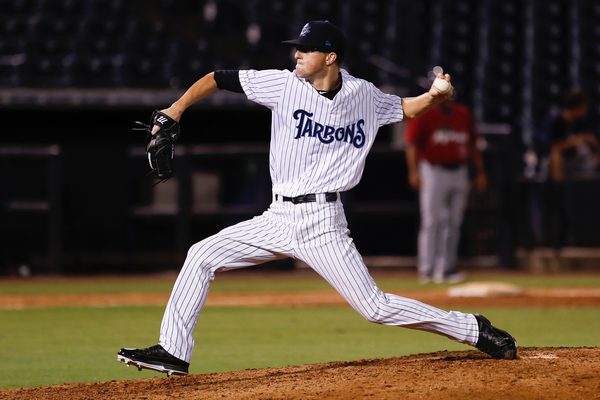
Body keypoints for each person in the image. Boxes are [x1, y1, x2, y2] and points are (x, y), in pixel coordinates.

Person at [117, 20, 517, 377]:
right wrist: (176, 109)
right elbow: (218, 78)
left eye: (305, 49)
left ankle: (471, 328)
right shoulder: (283, 84)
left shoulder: (363, 94)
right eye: (297, 48)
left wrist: (433, 96)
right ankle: (173, 350)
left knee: (374, 308)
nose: (297, 55)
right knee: (201, 255)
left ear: (330, 57)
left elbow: (404, 109)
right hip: (276, 217)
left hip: (324, 222)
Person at [404, 96, 487, 284]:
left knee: (454, 222)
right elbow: (411, 144)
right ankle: (427, 270)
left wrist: (480, 171)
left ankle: (446, 269)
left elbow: (473, 143)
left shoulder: (462, 113)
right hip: (433, 169)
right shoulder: (424, 112)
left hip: (459, 169)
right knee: (432, 220)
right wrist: (414, 171)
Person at [548, 89, 599, 182]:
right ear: (577, 108)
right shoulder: (556, 123)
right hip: (561, 159)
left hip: (578, 158)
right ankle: (560, 192)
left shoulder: (583, 122)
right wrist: (575, 141)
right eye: (584, 108)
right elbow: (553, 148)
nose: (585, 110)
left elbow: (591, 140)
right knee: (556, 156)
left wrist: (592, 142)